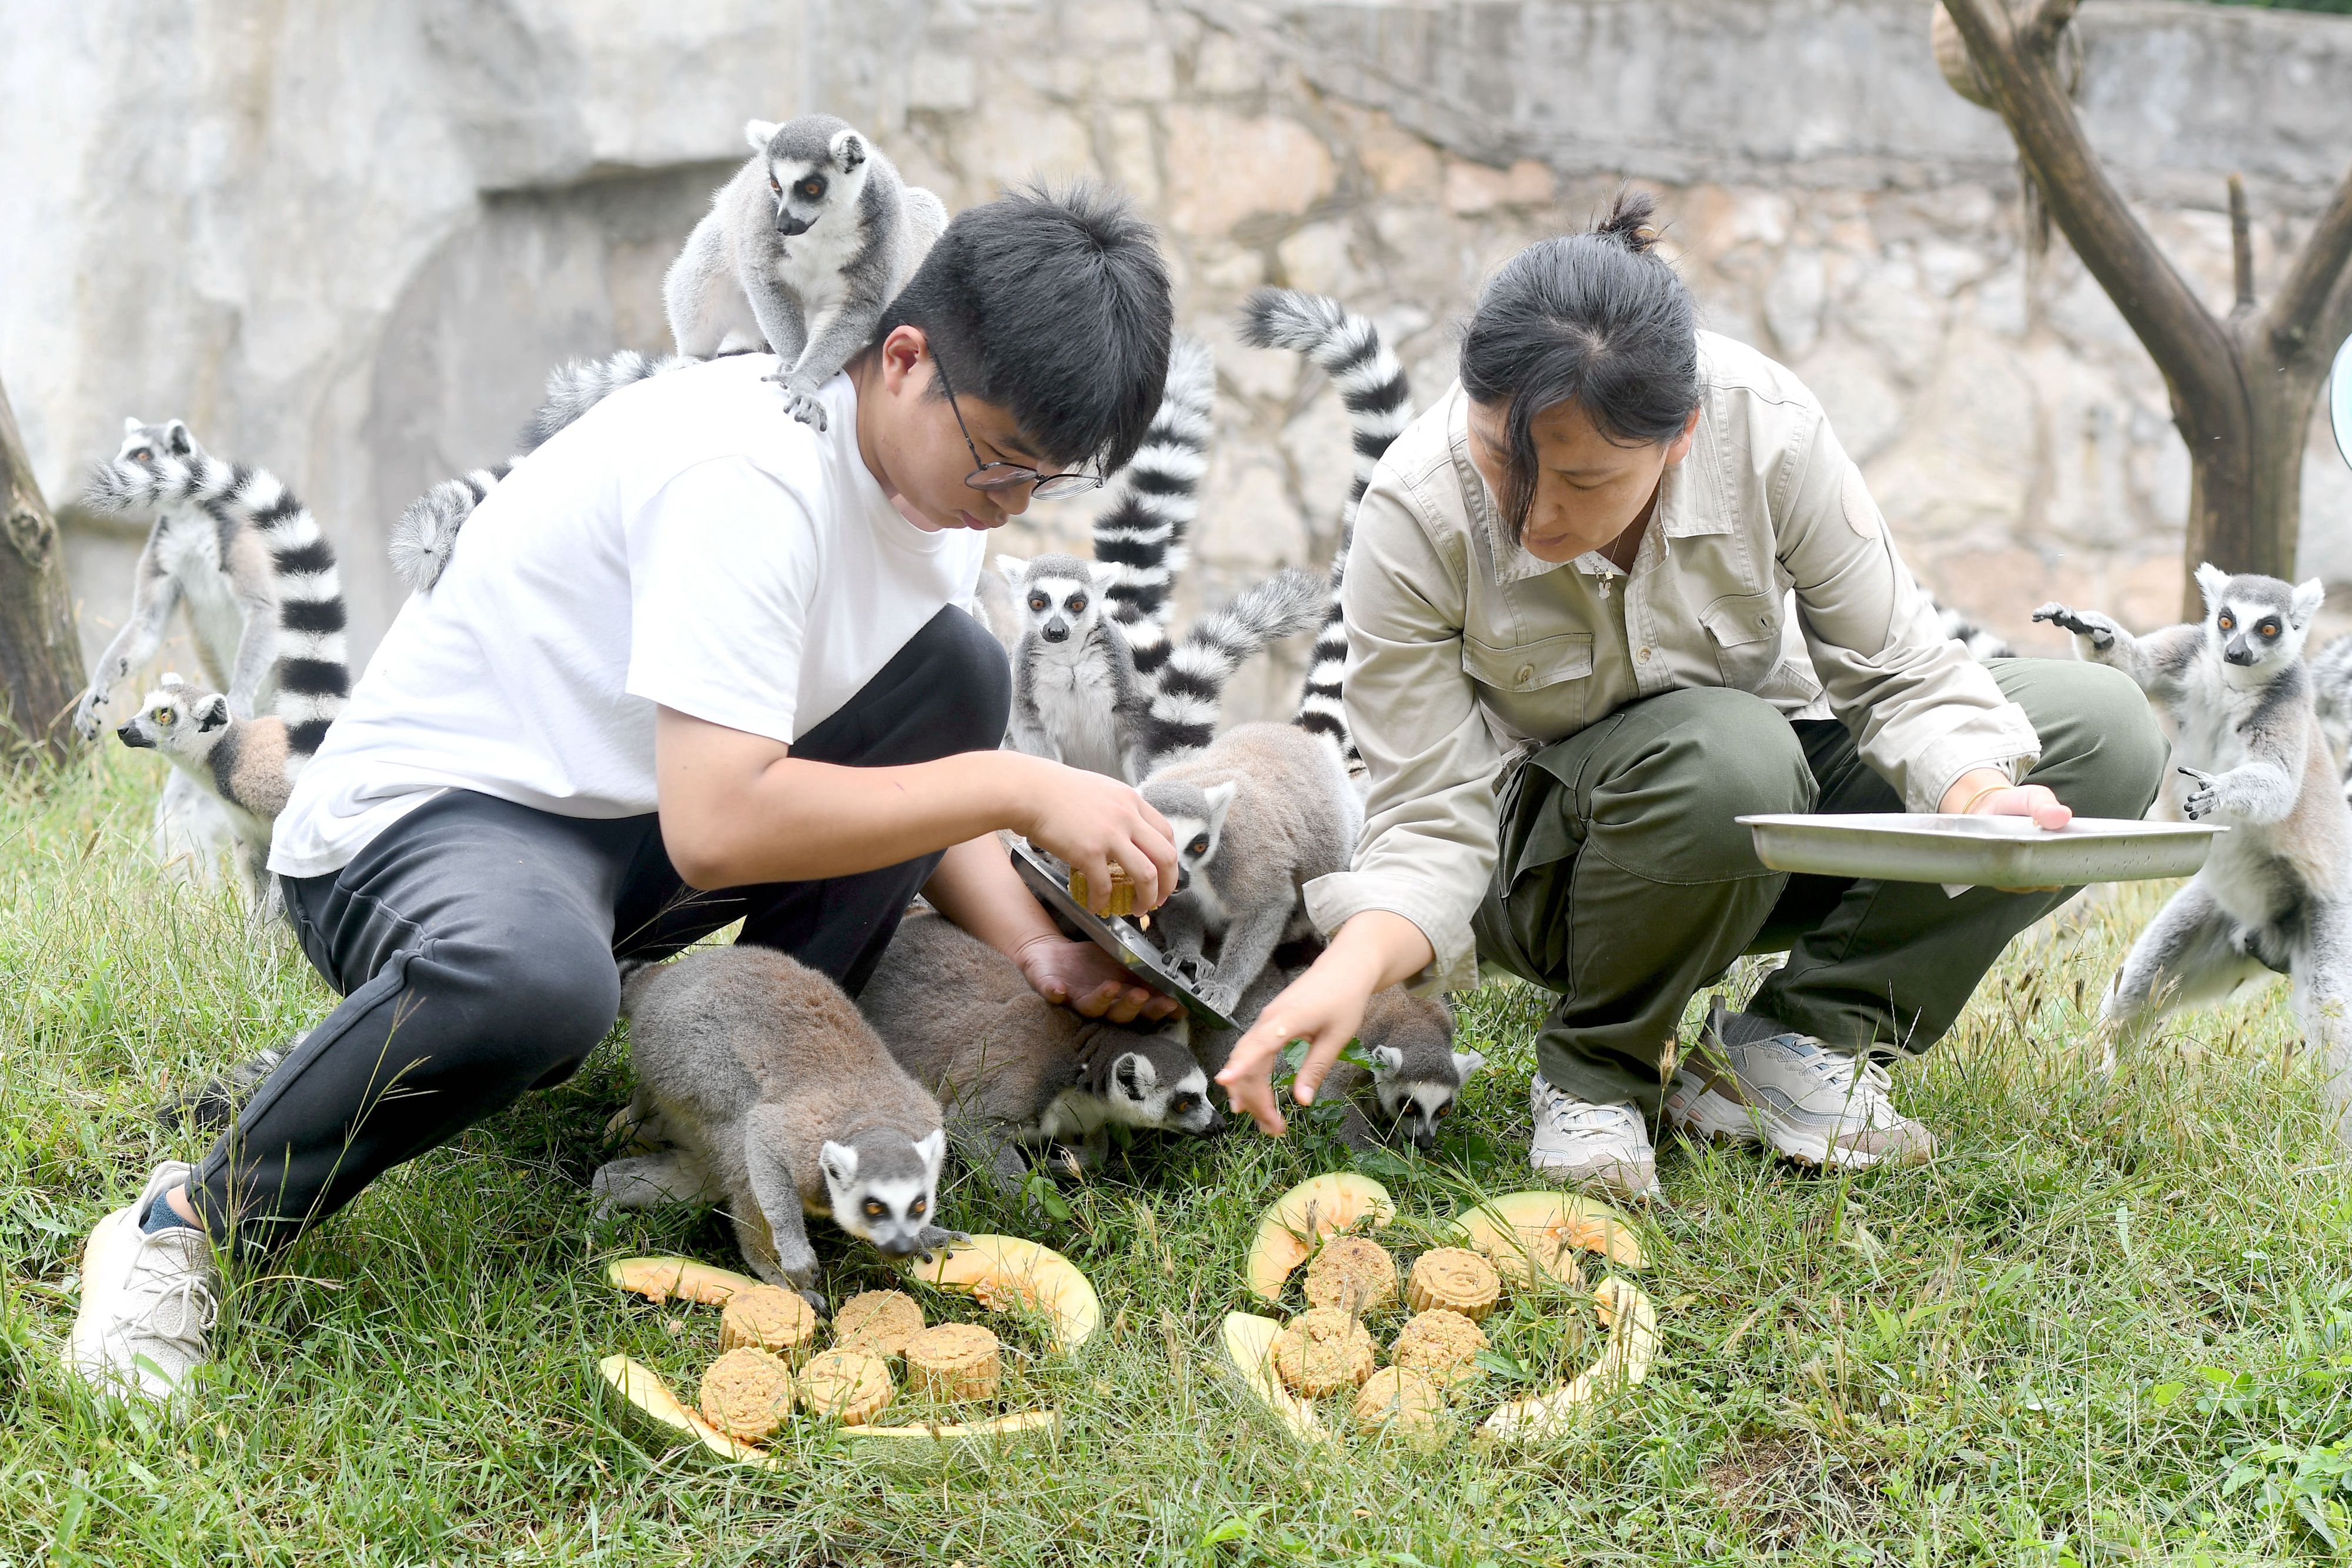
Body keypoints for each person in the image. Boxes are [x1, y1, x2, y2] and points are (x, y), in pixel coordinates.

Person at [69, 185, 1185, 1403]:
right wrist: (1021, 784)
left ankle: (729, 1117)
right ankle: (186, 1217)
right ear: (903, 357)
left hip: (627, 827)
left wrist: (1038, 950)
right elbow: (721, 828)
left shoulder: (938, 478)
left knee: (957, 674)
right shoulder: (750, 470)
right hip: (426, 826)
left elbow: (905, 767)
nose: (1014, 501)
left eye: (1048, 477)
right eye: (1003, 460)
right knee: (541, 981)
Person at [1216, 192, 2166, 1197]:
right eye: (1503, 460)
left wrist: (1978, 800)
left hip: (1755, 827)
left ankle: (1797, 1043)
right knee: (1726, 750)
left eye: (1584, 480)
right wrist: (1354, 964)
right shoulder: (1414, 507)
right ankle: (1596, 1073)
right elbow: (1431, 823)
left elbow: (1903, 670)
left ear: (1682, 436)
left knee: (2101, 733)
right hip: (1546, 872)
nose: (1533, 514)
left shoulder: (1772, 431)